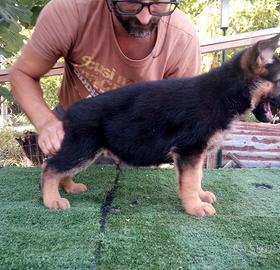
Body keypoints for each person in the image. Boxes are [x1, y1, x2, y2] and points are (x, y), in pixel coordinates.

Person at [9, 0, 201, 190]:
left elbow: (182, 116)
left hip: (133, 135)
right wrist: (46, 122)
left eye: (158, 3)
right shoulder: (70, 11)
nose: (145, 18)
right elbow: (23, 73)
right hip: (74, 127)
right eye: (131, 3)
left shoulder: (182, 38)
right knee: (61, 176)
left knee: (123, 199)